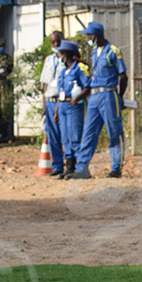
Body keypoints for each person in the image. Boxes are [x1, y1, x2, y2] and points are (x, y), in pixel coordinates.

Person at [67, 22, 127, 179]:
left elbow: (123, 76)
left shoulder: (113, 51)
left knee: (114, 131)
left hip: (109, 94)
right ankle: (82, 168)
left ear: (97, 35)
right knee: (88, 132)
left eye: (90, 35)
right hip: (94, 95)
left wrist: (120, 97)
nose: (88, 38)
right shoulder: (94, 52)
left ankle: (116, 167)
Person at [54, 40, 91, 179]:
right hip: (63, 106)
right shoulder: (63, 72)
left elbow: (88, 86)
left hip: (74, 105)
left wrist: (77, 98)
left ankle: (80, 167)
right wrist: (57, 111)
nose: (59, 57)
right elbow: (60, 93)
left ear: (66, 55)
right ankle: (69, 166)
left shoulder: (78, 69)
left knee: (75, 137)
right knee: (65, 138)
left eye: (61, 54)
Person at [39, 31, 65, 176]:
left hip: (61, 101)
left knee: (64, 135)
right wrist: (44, 106)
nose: (55, 45)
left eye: (57, 42)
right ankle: (57, 165)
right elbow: (45, 84)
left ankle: (70, 165)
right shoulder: (48, 60)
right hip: (50, 100)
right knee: (53, 135)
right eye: (53, 42)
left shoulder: (67, 58)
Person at [0, 36, 14, 143]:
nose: (0, 48)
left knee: (4, 110)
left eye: (2, 46)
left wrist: (1, 72)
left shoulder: (8, 58)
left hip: (4, 86)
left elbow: (8, 71)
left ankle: (4, 134)